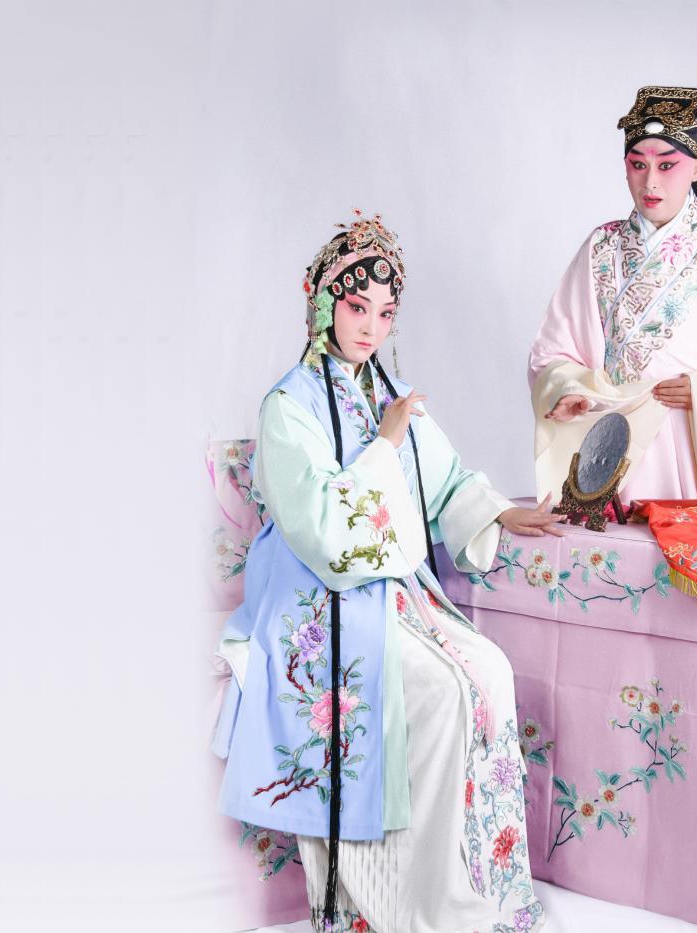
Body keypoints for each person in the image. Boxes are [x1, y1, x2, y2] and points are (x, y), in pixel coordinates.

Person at [212, 211, 558, 933]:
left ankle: (479, 885)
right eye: (356, 307)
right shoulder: (288, 407)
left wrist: (498, 511)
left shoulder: (387, 392)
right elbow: (323, 531)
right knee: (435, 691)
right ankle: (404, 903)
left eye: (385, 313)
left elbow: (443, 481)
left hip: (390, 591)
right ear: (322, 304)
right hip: (315, 596)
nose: (370, 327)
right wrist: (385, 443)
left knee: (488, 671)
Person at [528, 86, 697, 506]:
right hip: (617, 448)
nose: (651, 182)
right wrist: (568, 389)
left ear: (696, 166)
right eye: (638, 164)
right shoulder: (600, 249)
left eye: (667, 165)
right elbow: (552, 352)